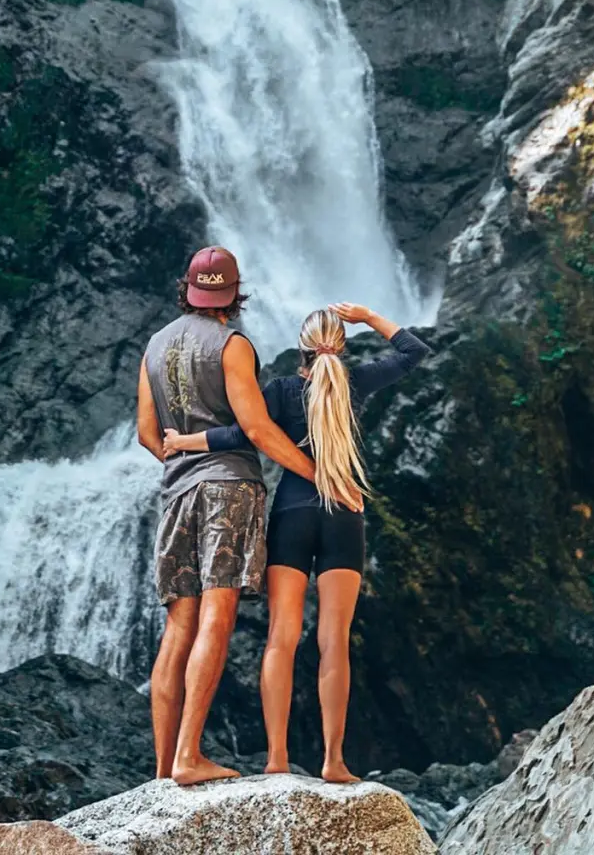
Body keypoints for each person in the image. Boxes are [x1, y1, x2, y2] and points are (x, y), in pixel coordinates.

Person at [164, 301, 430, 784]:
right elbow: (414, 351)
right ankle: (333, 761)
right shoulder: (354, 385)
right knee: (333, 642)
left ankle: (277, 759)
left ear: (301, 352)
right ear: (340, 347)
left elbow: (241, 433)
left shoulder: (282, 392)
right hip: (344, 516)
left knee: (280, 639)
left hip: (291, 515)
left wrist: (184, 442)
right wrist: (369, 317)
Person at [137, 245, 326, 786]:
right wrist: (318, 474)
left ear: (189, 289)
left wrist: (181, 457)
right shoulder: (231, 344)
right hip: (228, 489)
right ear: (232, 294)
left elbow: (149, 434)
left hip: (178, 492)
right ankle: (190, 757)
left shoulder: (154, 345)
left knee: (178, 626)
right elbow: (260, 430)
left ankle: (163, 766)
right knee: (217, 616)